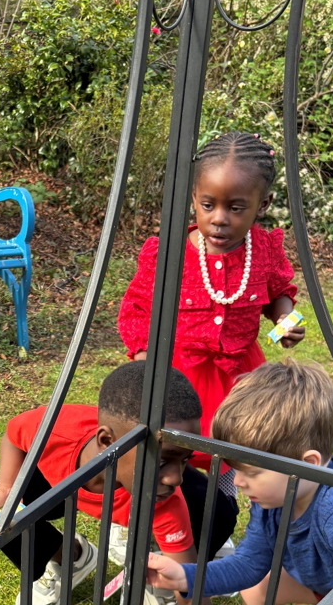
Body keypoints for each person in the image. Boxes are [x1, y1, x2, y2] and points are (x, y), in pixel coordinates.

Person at [0, 362, 235, 605]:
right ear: (106, 441)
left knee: (217, 514)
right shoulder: (53, 430)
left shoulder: (165, 501)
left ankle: (159, 577)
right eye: (165, 461)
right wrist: (7, 487)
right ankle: (70, 557)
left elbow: (193, 597)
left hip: (140, 485)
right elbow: (12, 435)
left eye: (186, 459)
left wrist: (178, 577)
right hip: (69, 474)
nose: (176, 477)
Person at [145, 360, 333, 605]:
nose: (238, 481)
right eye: (237, 469)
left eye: (252, 472)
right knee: (257, 589)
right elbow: (249, 564)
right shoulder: (274, 498)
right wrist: (184, 576)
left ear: (308, 465)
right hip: (326, 583)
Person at [118, 132, 306, 478]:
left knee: (233, 446)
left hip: (239, 375)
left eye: (235, 208)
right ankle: (163, 502)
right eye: (208, 205)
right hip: (177, 374)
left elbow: (280, 292)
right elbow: (138, 309)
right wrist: (146, 366)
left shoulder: (264, 250)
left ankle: (221, 502)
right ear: (194, 197)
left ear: (263, 204)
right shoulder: (169, 253)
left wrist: (285, 320)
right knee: (171, 447)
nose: (219, 218)